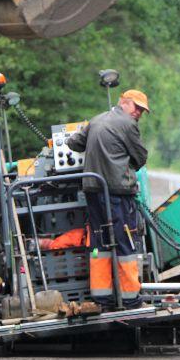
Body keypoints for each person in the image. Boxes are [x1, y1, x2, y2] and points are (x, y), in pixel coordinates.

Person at [67, 89, 149, 310]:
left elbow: (74, 143)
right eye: (137, 108)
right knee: (125, 241)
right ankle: (130, 298)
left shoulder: (96, 120)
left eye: (142, 110)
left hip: (92, 190)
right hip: (117, 192)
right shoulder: (128, 124)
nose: (139, 113)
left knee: (99, 242)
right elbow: (141, 156)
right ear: (125, 103)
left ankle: (101, 297)